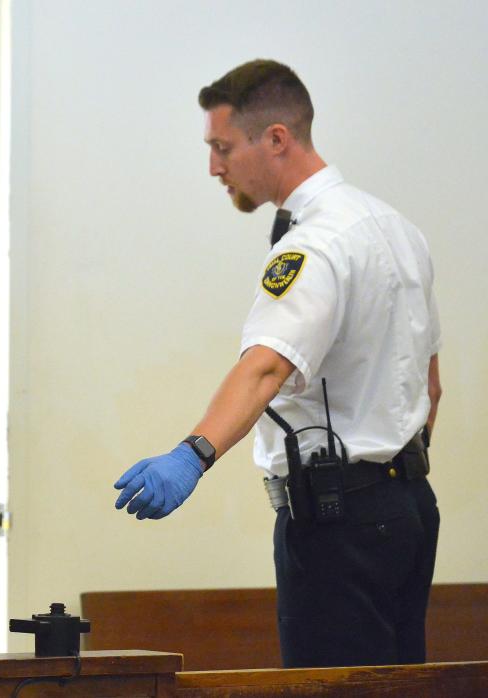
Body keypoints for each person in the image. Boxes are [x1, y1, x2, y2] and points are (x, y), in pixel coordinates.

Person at [113, 59, 441, 669]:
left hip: (340, 521)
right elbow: (430, 384)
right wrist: (392, 475)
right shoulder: (397, 229)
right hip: (410, 509)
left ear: (276, 139)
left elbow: (266, 367)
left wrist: (193, 454)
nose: (214, 166)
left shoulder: (313, 244)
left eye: (222, 147)